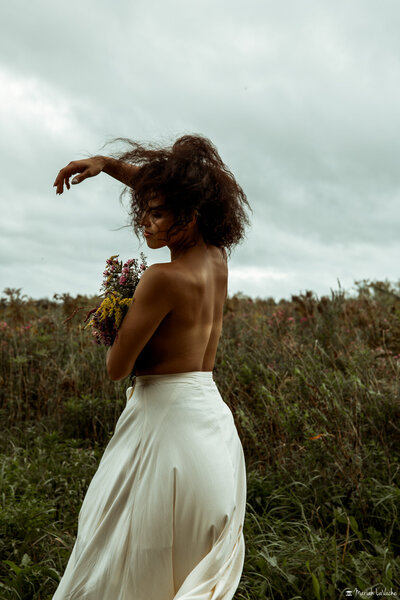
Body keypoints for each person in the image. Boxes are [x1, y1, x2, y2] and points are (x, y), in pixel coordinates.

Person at [51, 134, 250, 600]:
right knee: (183, 567)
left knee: (120, 554)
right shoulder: (217, 259)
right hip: (211, 428)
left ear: (190, 214)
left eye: (156, 212)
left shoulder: (162, 279)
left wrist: (113, 314)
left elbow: (117, 368)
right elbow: (170, 190)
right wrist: (106, 164)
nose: (145, 220)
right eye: (146, 208)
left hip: (164, 431)